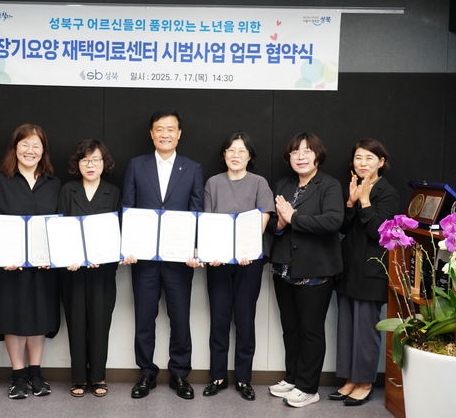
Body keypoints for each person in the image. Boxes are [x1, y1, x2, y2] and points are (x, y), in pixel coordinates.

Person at [121, 108, 204, 400]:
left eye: (171, 129)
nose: (165, 134)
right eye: (160, 129)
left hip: (179, 259)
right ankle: (146, 372)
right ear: (151, 134)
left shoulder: (192, 168)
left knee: (180, 318)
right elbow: (128, 207)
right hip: (144, 259)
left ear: (179, 134)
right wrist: (127, 246)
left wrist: (196, 247)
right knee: (145, 318)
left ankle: (180, 373)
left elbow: (197, 210)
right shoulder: (136, 165)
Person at [0, 123, 62, 400]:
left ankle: (36, 373)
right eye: (24, 144)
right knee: (12, 316)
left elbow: (59, 224)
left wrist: (53, 256)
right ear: (14, 148)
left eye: (36, 145)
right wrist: (6, 250)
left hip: (43, 265)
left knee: (39, 316)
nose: (30, 150)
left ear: (43, 150)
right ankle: (18, 375)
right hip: (10, 264)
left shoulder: (53, 183)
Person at [268, 132, 343, 408]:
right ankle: (293, 378)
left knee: (311, 330)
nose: (300, 157)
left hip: (315, 270)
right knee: (290, 328)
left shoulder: (329, 185)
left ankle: (309, 388)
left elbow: (333, 221)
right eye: (295, 152)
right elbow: (273, 223)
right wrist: (279, 224)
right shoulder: (283, 184)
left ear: (317, 156)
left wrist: (294, 218)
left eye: (307, 151)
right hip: (284, 268)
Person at [200, 132, 273, 401]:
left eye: (241, 151)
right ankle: (217, 377)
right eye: (231, 150)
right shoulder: (213, 183)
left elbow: (264, 217)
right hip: (218, 262)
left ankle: (244, 379)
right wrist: (212, 252)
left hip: (248, 262)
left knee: (244, 320)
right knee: (219, 320)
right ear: (224, 155)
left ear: (249, 156)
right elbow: (207, 221)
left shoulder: (259, 182)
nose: (235, 155)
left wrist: (247, 249)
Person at [330, 139, 399, 406]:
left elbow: (380, 234)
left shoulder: (388, 193)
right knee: (347, 327)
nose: (363, 163)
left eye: (369, 158)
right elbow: (343, 228)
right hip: (348, 267)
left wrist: (366, 201)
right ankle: (350, 379)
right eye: (358, 158)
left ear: (381, 162)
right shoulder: (354, 186)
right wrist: (350, 202)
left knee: (365, 329)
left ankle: (365, 381)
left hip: (371, 270)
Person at [59, 139, 120, 398]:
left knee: (100, 322)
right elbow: (60, 228)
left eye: (96, 159)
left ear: (104, 163)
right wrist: (67, 257)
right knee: (76, 323)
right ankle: (78, 378)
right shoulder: (67, 190)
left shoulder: (113, 192)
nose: (90, 165)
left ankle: (98, 376)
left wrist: (105, 256)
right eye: (85, 160)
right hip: (73, 271)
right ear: (78, 164)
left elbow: (119, 231)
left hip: (103, 271)